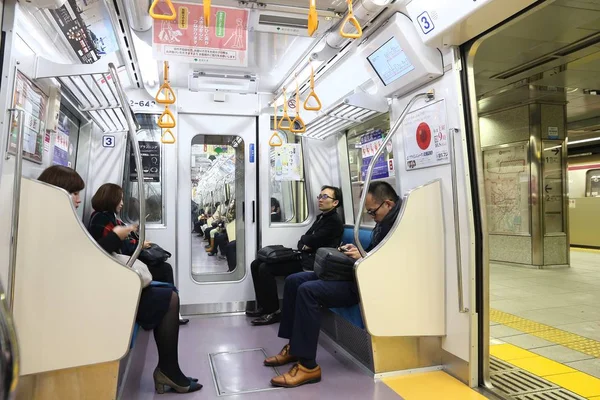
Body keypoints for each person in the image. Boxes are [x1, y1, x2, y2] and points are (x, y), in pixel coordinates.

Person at [37, 166, 201, 394]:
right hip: (86, 292)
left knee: (166, 292)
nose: (78, 199)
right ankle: (168, 371)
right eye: (73, 193)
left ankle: (168, 370)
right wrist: (117, 236)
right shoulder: (60, 224)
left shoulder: (61, 220)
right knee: (168, 298)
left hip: (92, 283)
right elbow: (91, 257)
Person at [265, 181, 401, 389]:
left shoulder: (399, 227)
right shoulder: (384, 222)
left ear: (388, 205)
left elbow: (388, 264)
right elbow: (375, 253)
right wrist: (357, 252)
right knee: (294, 281)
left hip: (365, 285)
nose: (372, 217)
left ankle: (308, 366)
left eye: (372, 212)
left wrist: (362, 255)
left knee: (309, 291)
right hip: (357, 274)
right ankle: (295, 346)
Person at [88, 183, 189, 325]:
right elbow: (115, 247)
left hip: (119, 261)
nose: (122, 203)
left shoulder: (111, 217)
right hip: (116, 266)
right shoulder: (101, 219)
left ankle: (170, 309)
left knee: (162, 267)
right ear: (111, 199)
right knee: (164, 269)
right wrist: (139, 244)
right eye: (120, 199)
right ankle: (170, 310)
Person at [247, 186, 344, 326]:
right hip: (305, 256)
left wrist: (307, 241)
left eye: (325, 197)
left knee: (265, 268)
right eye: (319, 196)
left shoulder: (334, 221)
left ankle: (273, 311)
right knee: (256, 264)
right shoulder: (321, 218)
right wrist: (306, 242)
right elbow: (303, 240)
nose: (320, 200)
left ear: (335, 202)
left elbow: (311, 240)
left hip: (314, 261)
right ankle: (263, 307)